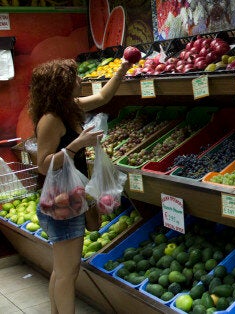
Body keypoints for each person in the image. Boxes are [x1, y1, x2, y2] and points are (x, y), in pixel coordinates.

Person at [28, 58, 133, 314]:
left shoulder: (69, 108)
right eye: (74, 78)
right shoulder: (51, 119)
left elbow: (103, 98)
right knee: (68, 271)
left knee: (63, 269)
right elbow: (43, 165)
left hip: (71, 197)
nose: (80, 81)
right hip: (61, 201)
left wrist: (123, 68)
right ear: (60, 85)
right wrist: (77, 144)